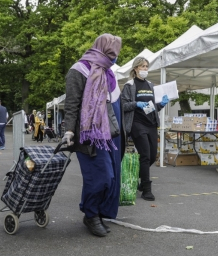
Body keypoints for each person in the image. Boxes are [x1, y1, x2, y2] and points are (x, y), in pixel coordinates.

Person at [62, 33, 122, 237]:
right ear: (102, 49)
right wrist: (68, 131)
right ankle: (90, 215)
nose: (114, 58)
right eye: (111, 54)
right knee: (100, 178)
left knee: (110, 178)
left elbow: (114, 106)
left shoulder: (108, 73)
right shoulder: (77, 71)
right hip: (86, 135)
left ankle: (95, 212)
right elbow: (71, 105)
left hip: (107, 135)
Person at [121, 57, 169, 201]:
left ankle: (139, 179)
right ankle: (146, 189)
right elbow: (123, 106)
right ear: (135, 68)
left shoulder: (150, 85)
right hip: (137, 123)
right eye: (142, 66)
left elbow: (152, 108)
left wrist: (162, 105)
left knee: (153, 155)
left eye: (147, 66)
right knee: (145, 154)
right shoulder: (129, 86)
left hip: (151, 123)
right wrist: (136, 104)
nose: (145, 69)